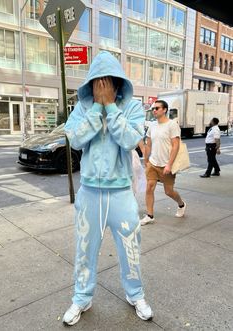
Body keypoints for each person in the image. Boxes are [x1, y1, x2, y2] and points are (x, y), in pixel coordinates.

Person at [63, 51, 153, 326]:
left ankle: (135, 294)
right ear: (89, 83)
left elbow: (130, 140)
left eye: (107, 82)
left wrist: (111, 108)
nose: (101, 88)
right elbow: (75, 139)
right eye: (96, 82)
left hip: (121, 192)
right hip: (90, 191)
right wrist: (95, 110)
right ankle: (81, 298)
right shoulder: (82, 108)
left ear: (117, 83)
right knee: (84, 247)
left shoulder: (132, 107)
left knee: (130, 247)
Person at [140, 100, 186, 226]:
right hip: (153, 163)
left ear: (164, 110)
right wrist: (146, 160)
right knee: (149, 187)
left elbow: (175, 145)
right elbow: (148, 144)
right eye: (153, 108)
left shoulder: (172, 125)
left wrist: (169, 165)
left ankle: (181, 204)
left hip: (166, 164)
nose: (154, 110)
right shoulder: (152, 125)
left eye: (157, 108)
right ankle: (150, 215)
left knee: (169, 191)